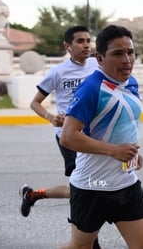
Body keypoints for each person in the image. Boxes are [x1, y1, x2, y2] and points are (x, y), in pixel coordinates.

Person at [58, 25, 143, 249]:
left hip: (126, 184)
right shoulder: (91, 88)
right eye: (118, 53)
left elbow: (124, 124)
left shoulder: (131, 83)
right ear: (99, 58)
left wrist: (131, 153)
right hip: (92, 187)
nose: (127, 59)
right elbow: (68, 137)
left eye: (130, 52)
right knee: (79, 247)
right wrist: (114, 151)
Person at [18, 26, 100, 248]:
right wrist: (50, 117)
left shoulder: (96, 65)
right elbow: (35, 102)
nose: (86, 45)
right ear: (68, 46)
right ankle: (89, 239)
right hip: (68, 136)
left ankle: (33, 195)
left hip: (93, 135)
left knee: (86, 187)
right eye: (80, 41)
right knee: (83, 189)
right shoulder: (58, 72)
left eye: (88, 41)